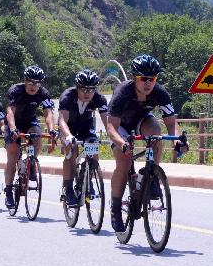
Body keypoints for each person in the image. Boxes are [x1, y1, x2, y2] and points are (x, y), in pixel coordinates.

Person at [106, 55, 182, 232]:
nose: (148, 83)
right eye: (143, 79)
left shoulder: (160, 93)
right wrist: (122, 144)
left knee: (156, 133)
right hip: (121, 128)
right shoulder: (122, 92)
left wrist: (177, 140)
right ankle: (116, 208)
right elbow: (111, 127)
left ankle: (151, 175)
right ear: (134, 78)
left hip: (142, 121)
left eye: (152, 79)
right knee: (123, 163)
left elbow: (171, 123)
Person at [4, 65, 57, 209]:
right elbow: (10, 112)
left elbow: (48, 113)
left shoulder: (43, 93)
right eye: (31, 82)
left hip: (30, 121)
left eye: (37, 83)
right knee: (13, 157)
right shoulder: (15, 91)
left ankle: (32, 162)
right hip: (14, 122)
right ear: (25, 80)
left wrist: (52, 129)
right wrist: (13, 129)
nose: (34, 86)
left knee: (37, 135)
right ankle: (8, 191)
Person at [57, 69, 109, 206]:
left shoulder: (99, 98)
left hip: (86, 126)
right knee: (72, 150)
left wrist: (114, 137)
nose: (87, 93)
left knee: (93, 146)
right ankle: (68, 189)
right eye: (84, 89)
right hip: (68, 127)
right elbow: (62, 121)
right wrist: (68, 136)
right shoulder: (67, 96)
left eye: (91, 90)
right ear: (77, 87)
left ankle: (89, 178)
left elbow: (108, 122)